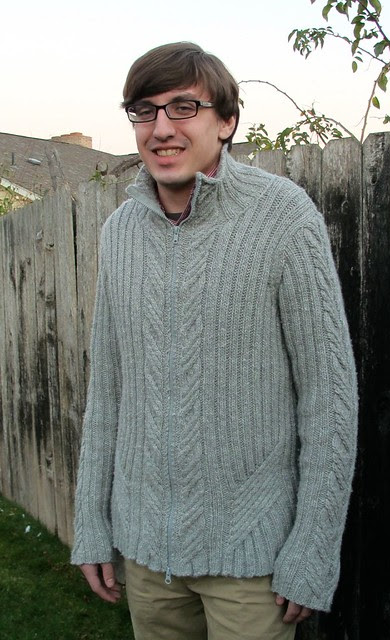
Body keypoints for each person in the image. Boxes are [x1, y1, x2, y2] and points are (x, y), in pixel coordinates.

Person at [71, 42, 358, 640]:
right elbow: (108, 393)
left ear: (226, 121)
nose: (161, 128)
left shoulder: (283, 217)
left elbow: (329, 397)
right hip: (147, 558)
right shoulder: (119, 232)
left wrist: (313, 548)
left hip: (250, 561)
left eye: (184, 108)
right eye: (144, 111)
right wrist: (92, 524)